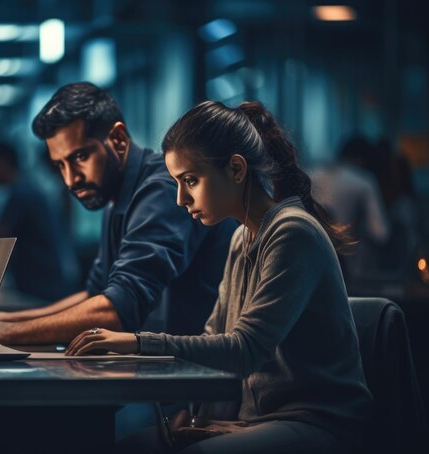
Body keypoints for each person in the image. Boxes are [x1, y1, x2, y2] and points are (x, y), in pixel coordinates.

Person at [66, 101, 373, 453]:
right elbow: (215, 334)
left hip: (320, 422)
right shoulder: (243, 235)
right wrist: (194, 415)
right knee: (134, 445)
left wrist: (137, 341)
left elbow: (244, 349)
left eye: (190, 181)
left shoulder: (293, 232)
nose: (181, 198)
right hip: (262, 420)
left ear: (236, 169)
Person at [0, 82, 238, 346]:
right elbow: (96, 295)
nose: (70, 180)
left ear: (117, 140)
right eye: (60, 165)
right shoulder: (114, 195)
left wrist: (4, 332)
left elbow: (116, 310)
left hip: (197, 382)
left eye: (80, 157)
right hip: (165, 374)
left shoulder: (160, 190)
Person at [0, 141, 81, 301]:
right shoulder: (27, 188)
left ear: (1, 163)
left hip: (42, 284)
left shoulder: (21, 194)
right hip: (45, 280)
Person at [310, 136, 390, 288]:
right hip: (351, 274)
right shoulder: (364, 181)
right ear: (362, 160)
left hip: (311, 270)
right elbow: (380, 233)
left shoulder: (310, 175)